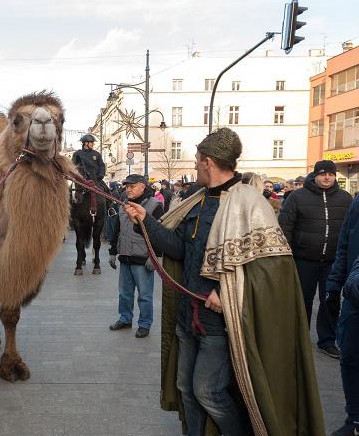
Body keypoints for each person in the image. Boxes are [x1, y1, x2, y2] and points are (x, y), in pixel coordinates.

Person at [124, 128, 324, 435]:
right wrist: (145, 220)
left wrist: (222, 290)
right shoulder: (196, 200)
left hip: (219, 324)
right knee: (186, 389)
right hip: (187, 316)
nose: (193, 165)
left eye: (196, 160)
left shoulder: (249, 202)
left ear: (208, 162)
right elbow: (177, 248)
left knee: (208, 392)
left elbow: (269, 270)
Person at [278, 160, 352, 358]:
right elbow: (285, 227)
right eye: (322, 173)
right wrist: (287, 256)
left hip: (333, 262)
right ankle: (298, 341)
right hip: (304, 259)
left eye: (330, 174)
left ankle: (327, 341)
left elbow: (352, 231)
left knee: (331, 301)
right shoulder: (297, 197)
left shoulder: (346, 199)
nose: (326, 177)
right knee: (302, 302)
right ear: (315, 175)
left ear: (335, 176)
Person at [108, 174, 163, 337]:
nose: (128, 189)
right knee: (124, 292)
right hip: (125, 256)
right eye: (127, 187)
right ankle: (125, 318)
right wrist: (113, 251)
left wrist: (155, 256)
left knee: (145, 295)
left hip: (143, 258)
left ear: (142, 186)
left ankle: (144, 324)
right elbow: (117, 229)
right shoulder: (123, 205)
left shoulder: (154, 205)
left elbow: (160, 233)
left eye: (132, 186)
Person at [326, 194, 359, 436]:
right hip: (354, 295)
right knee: (350, 358)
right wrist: (334, 286)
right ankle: (355, 419)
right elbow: (345, 243)